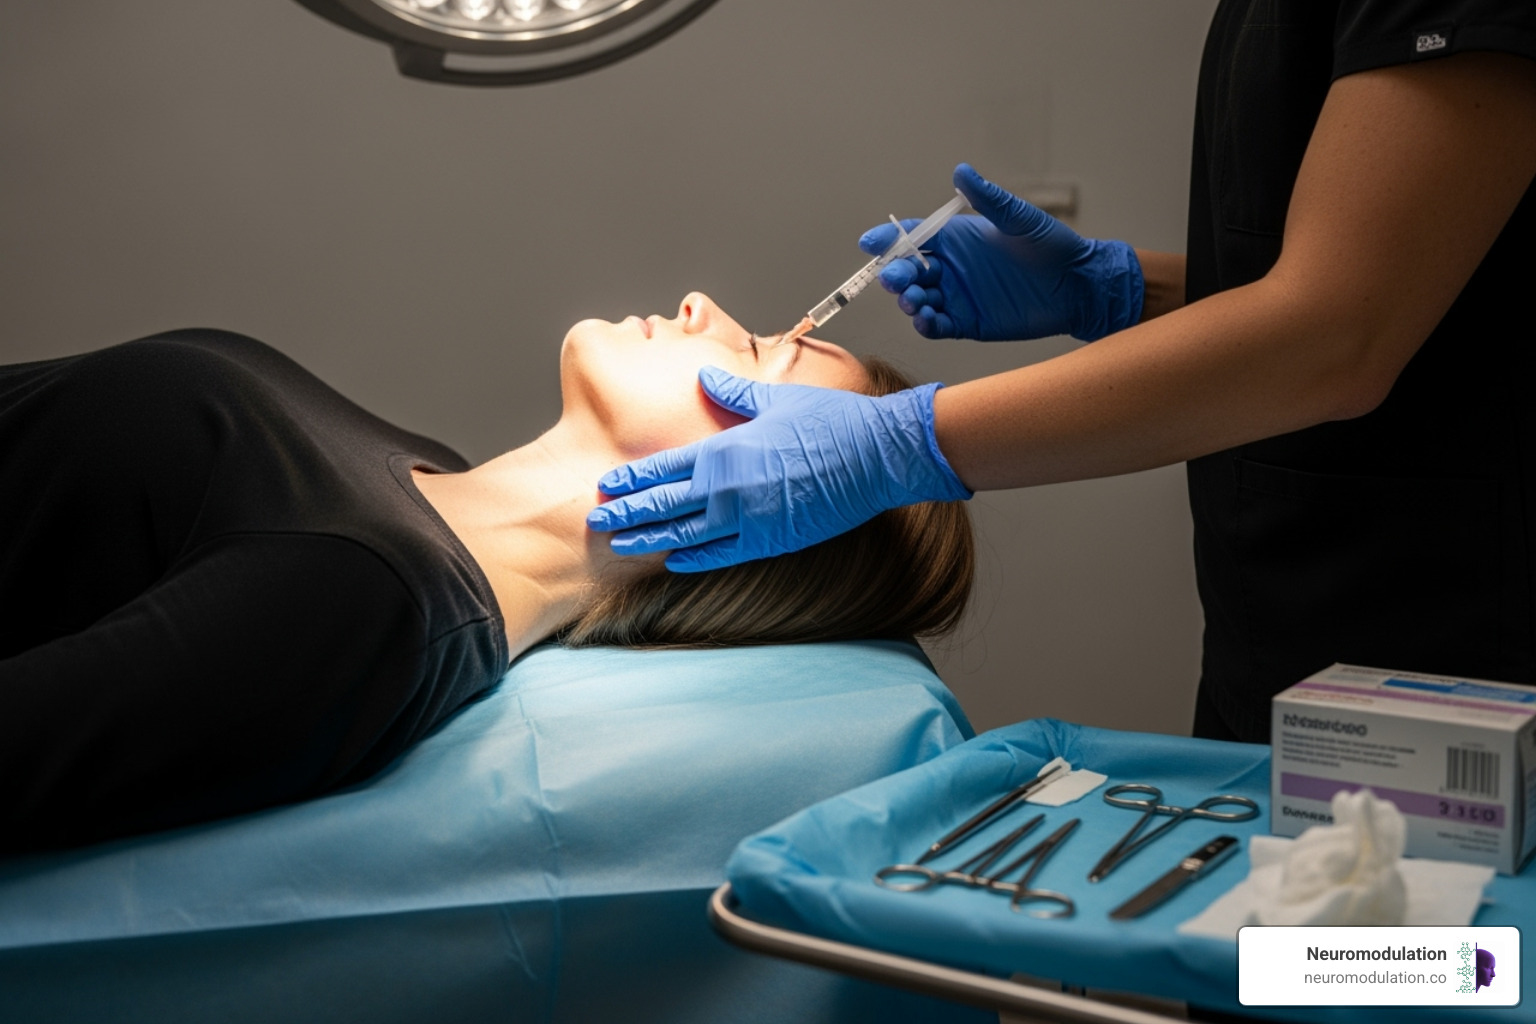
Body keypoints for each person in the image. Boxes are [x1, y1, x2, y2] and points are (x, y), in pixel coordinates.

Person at [588, 2, 1536, 744]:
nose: (700, 304)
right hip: (1285, 646)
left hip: (1451, 657)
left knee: (1409, 934)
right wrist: (1121, 290)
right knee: (1268, 922)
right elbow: (1402, 273)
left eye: (767, 358)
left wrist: (898, 444)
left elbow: (1342, 333)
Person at [0, 292, 973, 854]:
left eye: (758, 351)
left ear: (771, 502)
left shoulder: (360, 600)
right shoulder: (428, 470)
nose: (702, 307)